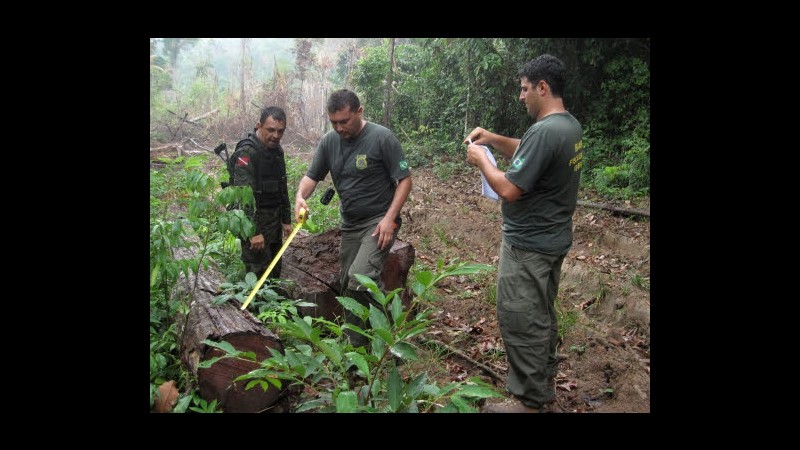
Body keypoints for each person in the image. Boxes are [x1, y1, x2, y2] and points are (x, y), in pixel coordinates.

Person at [465, 54, 583, 413]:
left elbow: (510, 189)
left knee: (521, 318)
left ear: (542, 88)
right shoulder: (568, 126)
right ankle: (542, 383)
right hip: (552, 239)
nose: (521, 96)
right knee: (540, 314)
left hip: (529, 246)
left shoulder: (546, 131)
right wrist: (493, 139)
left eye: (525, 89)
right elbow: (530, 153)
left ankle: (530, 403)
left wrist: (482, 160)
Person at [294, 89, 412, 346]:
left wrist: (389, 219)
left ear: (359, 112)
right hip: (350, 225)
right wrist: (300, 197)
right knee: (349, 285)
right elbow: (311, 177)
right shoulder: (329, 142)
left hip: (379, 221)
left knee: (361, 278)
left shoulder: (382, 138)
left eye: (344, 121)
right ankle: (355, 346)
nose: (339, 128)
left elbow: (404, 181)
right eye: (334, 122)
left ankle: (388, 341)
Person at [232, 106, 292, 280]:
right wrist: (253, 231)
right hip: (256, 221)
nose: (276, 136)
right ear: (259, 125)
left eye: (280, 131)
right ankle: (254, 308)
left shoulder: (277, 150)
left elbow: (282, 186)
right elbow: (243, 197)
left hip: (274, 221)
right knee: (257, 272)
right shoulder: (246, 152)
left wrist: (286, 220)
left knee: (274, 271)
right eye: (270, 130)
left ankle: (274, 307)